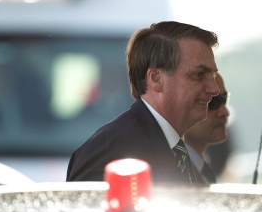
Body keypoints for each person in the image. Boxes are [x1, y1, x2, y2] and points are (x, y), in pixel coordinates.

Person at [66, 21, 220, 185]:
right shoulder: (111, 152)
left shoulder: (178, 152)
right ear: (156, 79)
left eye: (214, 77)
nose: (214, 89)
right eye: (198, 74)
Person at [184, 73, 230, 184]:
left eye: (224, 99)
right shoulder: (170, 174)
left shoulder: (201, 168)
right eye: (211, 102)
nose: (225, 112)